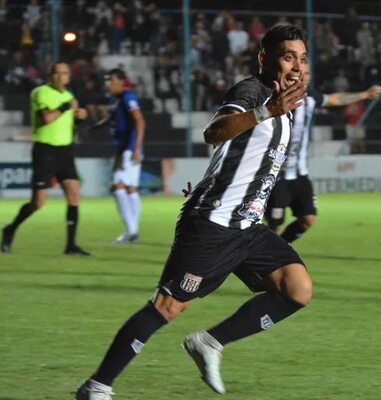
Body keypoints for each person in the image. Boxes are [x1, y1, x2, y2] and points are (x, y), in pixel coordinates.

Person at [75, 24, 310, 399]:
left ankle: (209, 342)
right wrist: (265, 111)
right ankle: (97, 386)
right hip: (212, 223)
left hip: (246, 226)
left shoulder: (287, 101)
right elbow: (214, 132)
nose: (296, 65)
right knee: (167, 306)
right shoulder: (252, 93)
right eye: (287, 57)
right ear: (265, 58)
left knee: (297, 289)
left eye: (301, 57)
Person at [265, 68, 381, 243]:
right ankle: (266, 256)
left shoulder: (311, 97)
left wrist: (364, 95)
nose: (304, 77)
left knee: (308, 219)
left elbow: (336, 99)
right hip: (276, 175)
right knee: (275, 224)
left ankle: (278, 250)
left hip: (300, 175)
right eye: (300, 74)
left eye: (308, 73)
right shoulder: (274, 99)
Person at [2, 62, 91, 255]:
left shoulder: (69, 96)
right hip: (46, 151)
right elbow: (47, 118)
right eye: (57, 73)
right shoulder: (41, 92)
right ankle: (10, 229)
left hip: (65, 151)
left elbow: (69, 124)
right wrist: (68, 106)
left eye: (65, 73)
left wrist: (80, 117)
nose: (61, 77)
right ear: (50, 76)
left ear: (69, 76)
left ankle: (70, 245)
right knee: (38, 203)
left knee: (74, 194)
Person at [93, 68, 146, 243]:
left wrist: (136, 148)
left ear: (121, 82)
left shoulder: (127, 96)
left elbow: (139, 120)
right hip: (122, 148)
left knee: (117, 186)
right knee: (130, 188)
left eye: (111, 80)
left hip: (130, 148)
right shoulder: (114, 99)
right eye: (107, 80)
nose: (108, 83)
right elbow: (112, 118)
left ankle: (131, 231)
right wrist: (96, 127)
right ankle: (132, 231)